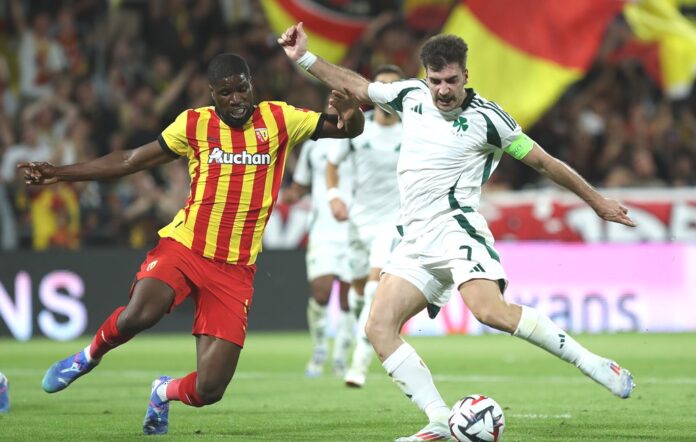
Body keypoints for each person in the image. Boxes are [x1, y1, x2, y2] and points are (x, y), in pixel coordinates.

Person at [279, 24, 636, 442]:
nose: (443, 90)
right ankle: (438, 419)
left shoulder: (490, 120)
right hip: (415, 240)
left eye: (451, 80)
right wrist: (304, 57)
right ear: (425, 76)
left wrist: (597, 201)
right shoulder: (409, 96)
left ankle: (593, 363)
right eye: (436, 81)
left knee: (490, 312)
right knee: (378, 327)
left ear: (466, 75)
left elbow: (544, 162)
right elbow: (357, 86)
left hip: (457, 231)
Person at [19, 53, 364, 436]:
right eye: (226, 93)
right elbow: (130, 160)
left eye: (242, 89)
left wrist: (353, 113)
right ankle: (87, 357)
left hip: (234, 268)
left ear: (251, 85)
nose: (236, 99)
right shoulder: (194, 124)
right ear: (212, 94)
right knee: (140, 314)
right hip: (185, 247)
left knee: (209, 389)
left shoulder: (280, 118)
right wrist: (60, 173)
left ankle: (162, 392)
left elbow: (347, 129)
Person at [324, 64, 403, 388]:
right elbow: (332, 164)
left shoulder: (413, 131)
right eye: (381, 85)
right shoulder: (359, 127)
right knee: (358, 291)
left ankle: (359, 362)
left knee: (373, 289)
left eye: (393, 86)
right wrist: (334, 197)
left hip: (394, 222)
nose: (386, 92)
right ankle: (360, 329)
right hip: (358, 221)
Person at [283, 102, 354, 377]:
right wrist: (289, 195)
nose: (335, 108)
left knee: (349, 299)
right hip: (323, 230)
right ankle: (320, 349)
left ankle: (341, 357)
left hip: (355, 230)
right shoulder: (314, 145)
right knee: (321, 293)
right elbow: (300, 185)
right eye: (332, 103)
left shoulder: (362, 140)